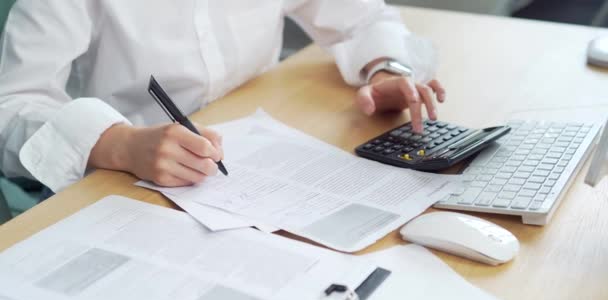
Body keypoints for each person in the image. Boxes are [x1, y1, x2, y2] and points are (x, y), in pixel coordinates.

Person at [0, 1, 445, 193]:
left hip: (256, 160)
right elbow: (11, 105)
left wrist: (386, 68)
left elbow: (363, 17)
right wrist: (118, 144)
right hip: (121, 180)